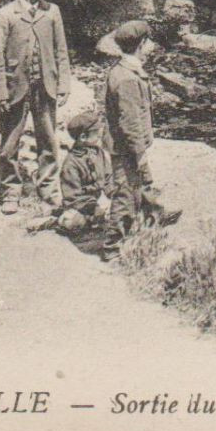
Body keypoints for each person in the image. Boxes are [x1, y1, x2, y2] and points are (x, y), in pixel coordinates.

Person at [0, 0, 73, 214]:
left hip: (45, 87)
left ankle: (47, 189)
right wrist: (0, 92)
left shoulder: (52, 12)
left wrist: (64, 83)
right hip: (15, 89)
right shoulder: (5, 15)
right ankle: (11, 191)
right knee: (10, 143)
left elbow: (61, 51)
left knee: (47, 139)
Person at [98, 19, 180, 228]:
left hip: (127, 143)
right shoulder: (127, 78)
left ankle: (153, 213)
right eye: (149, 40)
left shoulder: (126, 69)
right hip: (126, 145)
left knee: (143, 179)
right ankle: (113, 245)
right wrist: (140, 151)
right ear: (141, 44)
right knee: (125, 192)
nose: (152, 46)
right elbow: (130, 121)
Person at [45, 108, 129, 258]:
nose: (100, 135)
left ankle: (98, 221)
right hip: (81, 206)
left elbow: (108, 177)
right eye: (96, 133)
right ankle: (56, 221)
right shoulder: (71, 164)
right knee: (72, 222)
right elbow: (73, 197)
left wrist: (113, 194)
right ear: (83, 137)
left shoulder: (98, 152)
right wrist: (94, 208)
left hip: (98, 202)